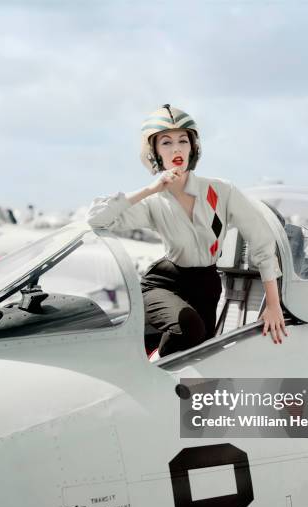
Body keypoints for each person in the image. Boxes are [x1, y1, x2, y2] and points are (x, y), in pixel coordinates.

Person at [86, 104, 287, 358]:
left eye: (183, 140)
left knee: (199, 354)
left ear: (193, 146)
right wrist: (150, 189)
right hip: (163, 283)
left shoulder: (221, 192)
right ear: (154, 152)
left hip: (207, 285)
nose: (177, 148)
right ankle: (150, 369)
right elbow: (96, 219)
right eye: (166, 143)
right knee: (187, 328)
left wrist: (273, 303)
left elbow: (261, 238)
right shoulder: (152, 201)